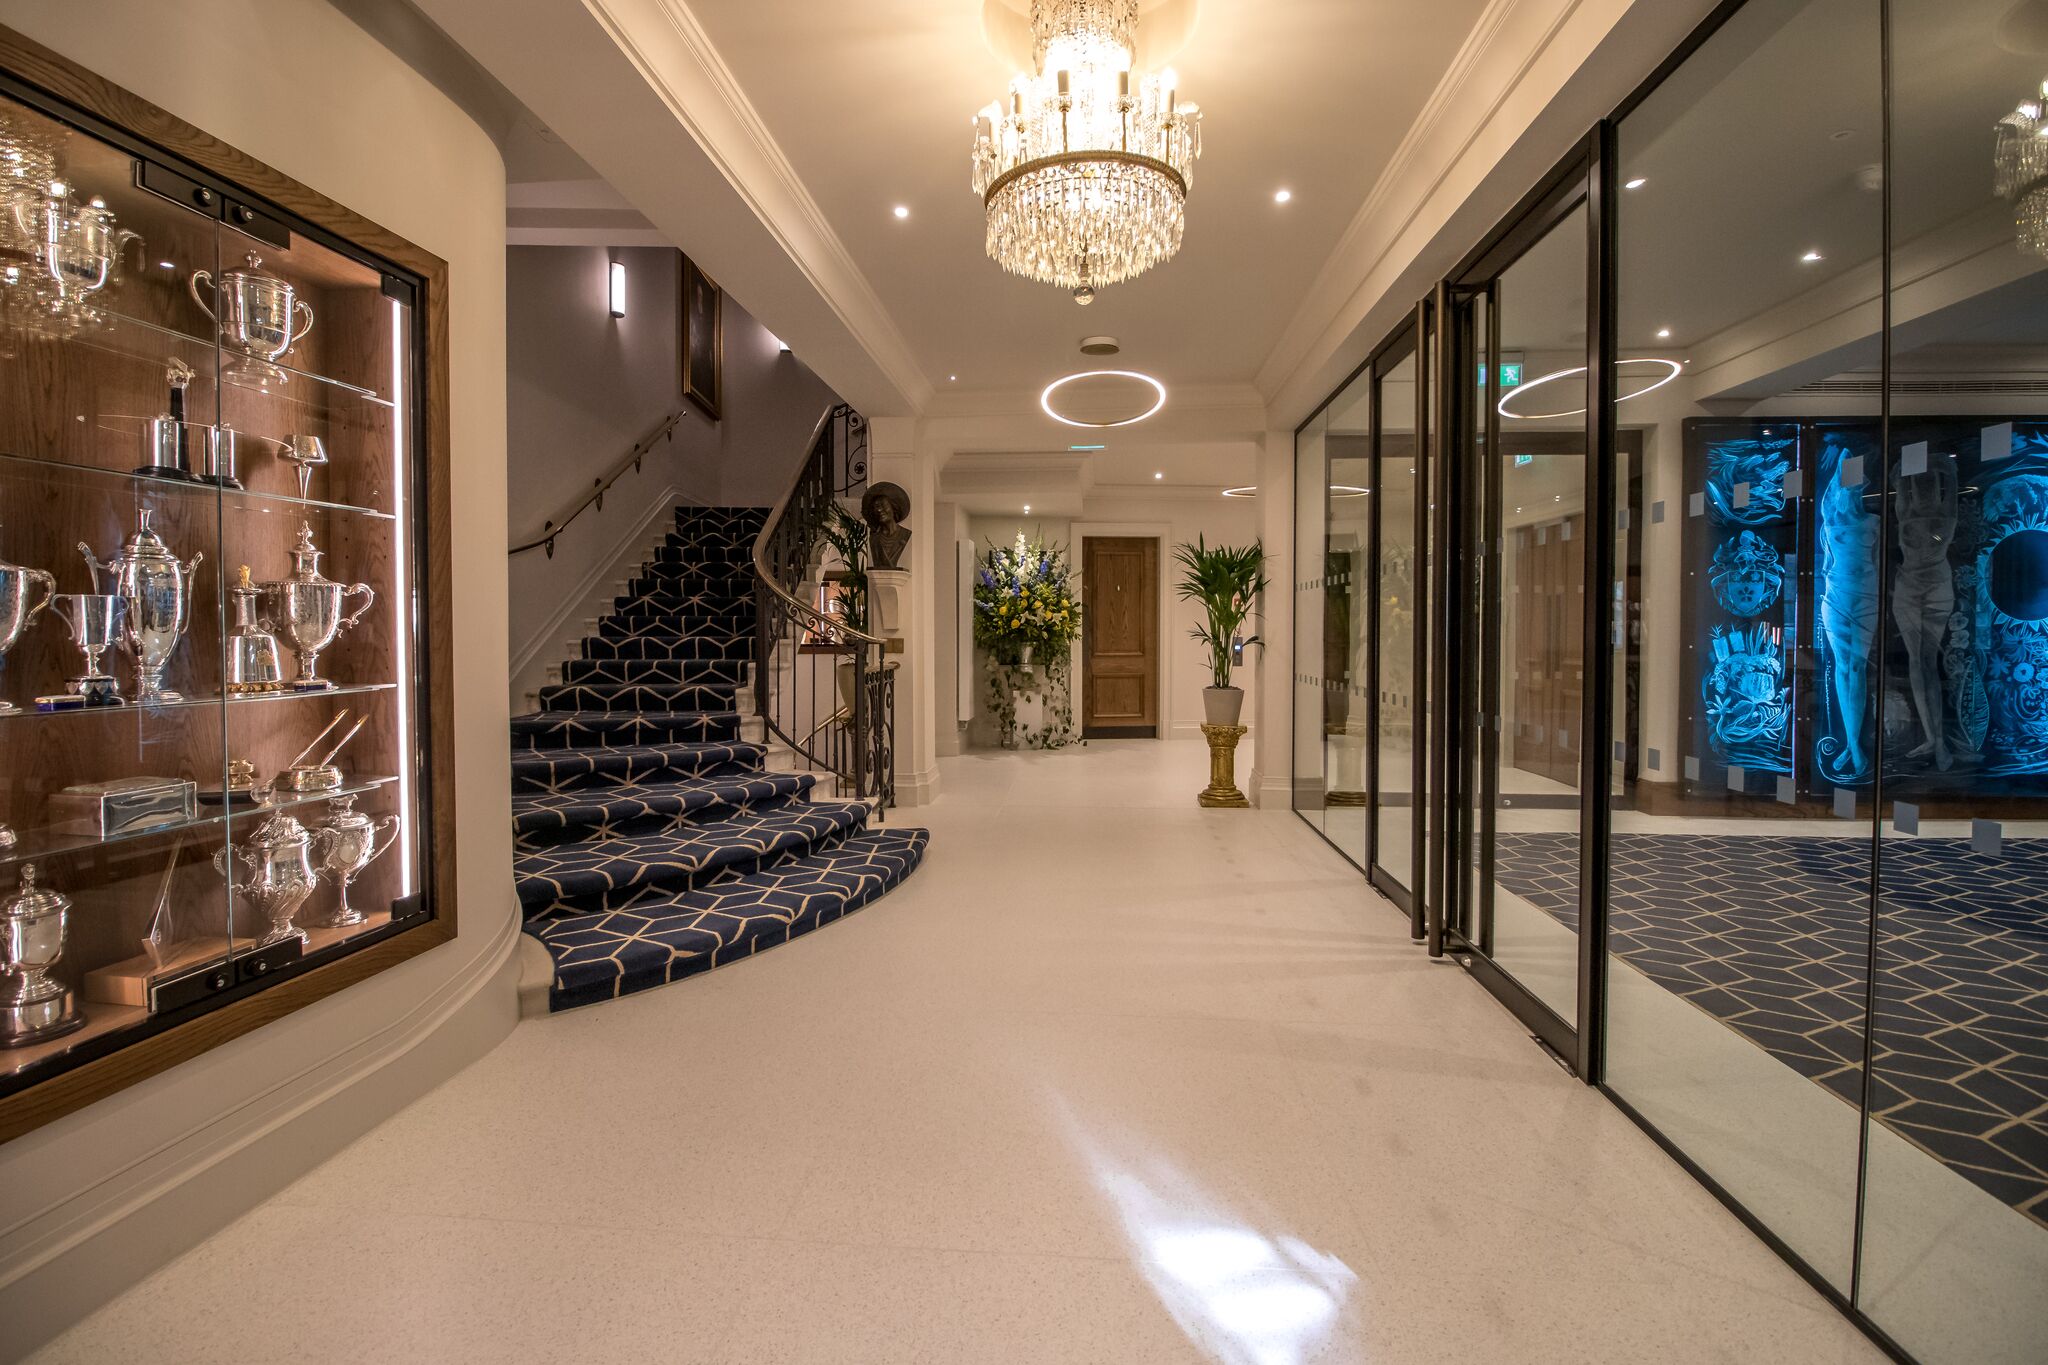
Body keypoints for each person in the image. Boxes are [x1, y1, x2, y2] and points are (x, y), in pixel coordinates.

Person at [862, 482, 911, 570]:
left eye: (883, 505)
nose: (879, 510)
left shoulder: (905, 534)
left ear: (893, 507)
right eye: (876, 507)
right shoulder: (874, 539)